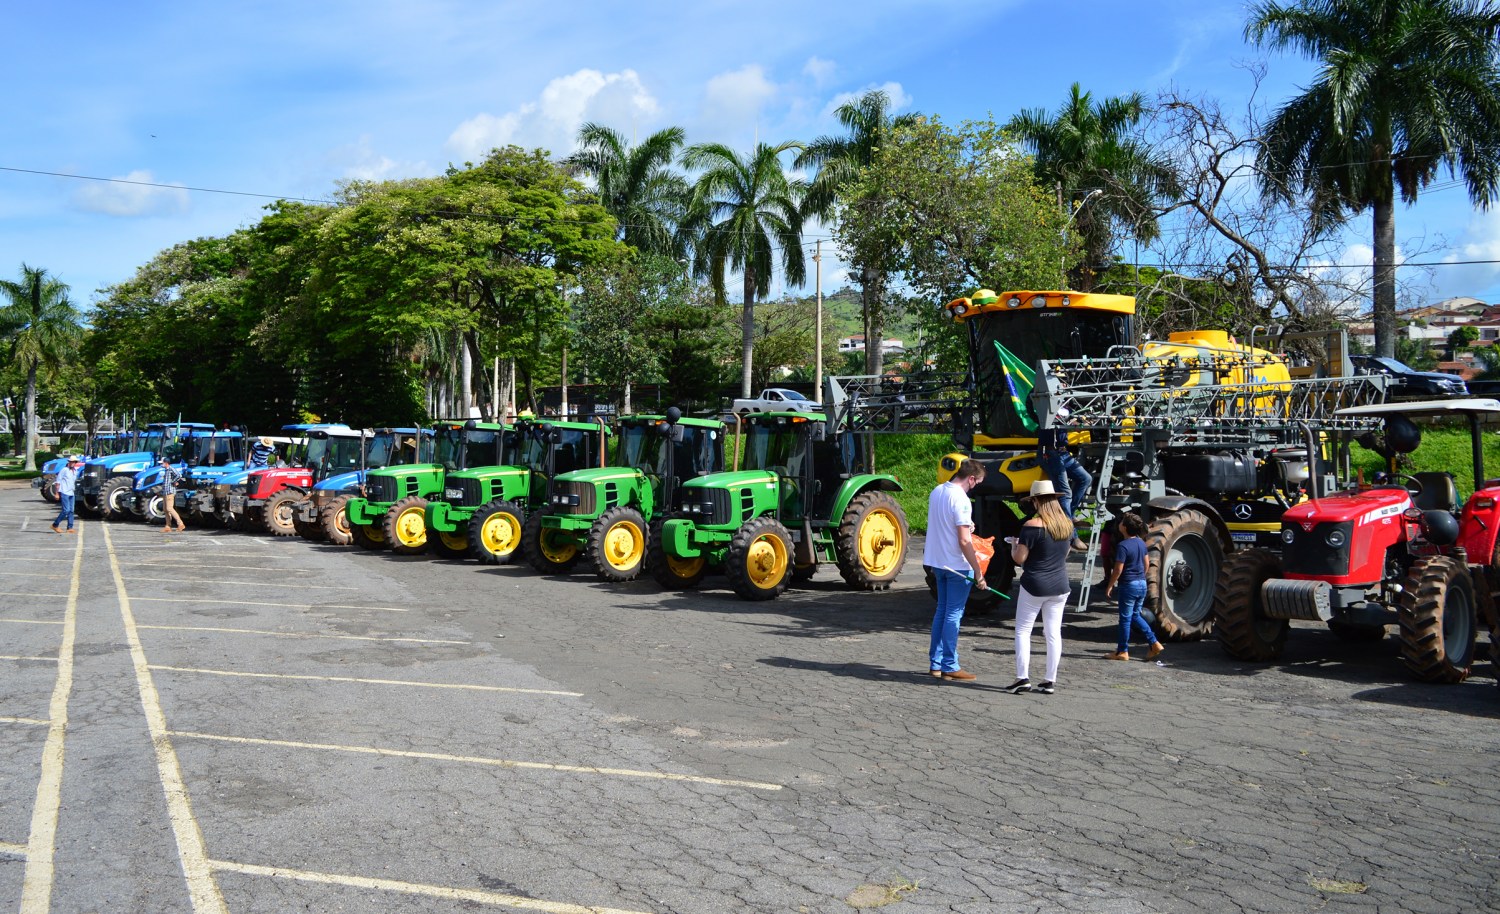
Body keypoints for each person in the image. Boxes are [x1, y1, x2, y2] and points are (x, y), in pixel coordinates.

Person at [1005, 479, 1083, 695]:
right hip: (1060, 585)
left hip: (1034, 585)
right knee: (1052, 633)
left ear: (1036, 501)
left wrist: (1013, 545)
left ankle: (1022, 678)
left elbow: (1019, 559)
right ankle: (1050, 680)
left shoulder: (1031, 526)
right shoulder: (1067, 525)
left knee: (1023, 630)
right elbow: (1064, 554)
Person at [924, 458, 989, 682]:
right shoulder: (961, 499)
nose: (976, 486)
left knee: (942, 611)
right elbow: (964, 541)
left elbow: (945, 523)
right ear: (971, 478)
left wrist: (967, 526)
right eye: (977, 482)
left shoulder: (937, 491)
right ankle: (950, 665)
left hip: (937, 561)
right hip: (957, 565)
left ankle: (936, 663)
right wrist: (978, 571)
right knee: (953, 614)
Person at [1103, 513, 1164, 661]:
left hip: (1128, 585)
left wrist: (1109, 585)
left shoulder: (1123, 546)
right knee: (1135, 615)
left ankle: (1122, 651)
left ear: (1124, 527)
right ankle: (1154, 643)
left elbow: (1118, 570)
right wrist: (1140, 577)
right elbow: (1147, 564)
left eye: (1121, 521)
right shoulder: (1141, 543)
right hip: (1141, 584)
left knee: (1125, 619)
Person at [1039, 409, 1092, 520]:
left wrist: (1087, 421)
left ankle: (1069, 516)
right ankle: (1068, 530)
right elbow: (1032, 407)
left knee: (1085, 479)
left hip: (1063, 452)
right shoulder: (1045, 403)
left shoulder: (1066, 404)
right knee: (1065, 493)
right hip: (1049, 452)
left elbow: (1075, 423)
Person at [51, 455, 81, 534]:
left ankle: (70, 527)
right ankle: (55, 525)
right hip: (64, 492)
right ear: (68, 462)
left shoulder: (75, 471)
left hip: (71, 492)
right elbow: (58, 482)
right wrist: (57, 493)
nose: (72, 463)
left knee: (71, 510)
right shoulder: (64, 470)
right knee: (66, 510)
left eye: (74, 462)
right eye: (71, 462)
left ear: (75, 463)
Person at [159, 456, 186, 533]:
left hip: (170, 492)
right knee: (165, 509)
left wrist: (173, 482)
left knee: (169, 508)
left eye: (163, 463)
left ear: (166, 463)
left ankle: (180, 524)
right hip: (165, 492)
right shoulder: (166, 470)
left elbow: (179, 475)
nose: (162, 464)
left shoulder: (171, 469)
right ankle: (168, 526)